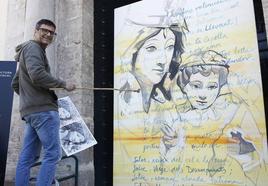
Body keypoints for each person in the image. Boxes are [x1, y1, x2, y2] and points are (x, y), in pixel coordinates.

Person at [160, 50, 267, 185]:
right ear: (184, 86)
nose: (203, 94)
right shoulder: (178, 115)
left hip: (225, 177)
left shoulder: (233, 110)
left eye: (212, 87)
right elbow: (168, 162)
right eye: (196, 86)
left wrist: (241, 148)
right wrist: (171, 145)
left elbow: (259, 147)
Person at [11, 19, 76, 186]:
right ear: (36, 30)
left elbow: (15, 84)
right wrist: (63, 84)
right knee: (53, 154)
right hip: (43, 112)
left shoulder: (27, 50)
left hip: (32, 113)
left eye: (51, 32)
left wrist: (30, 99)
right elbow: (38, 75)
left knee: (27, 158)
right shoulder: (33, 48)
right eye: (44, 30)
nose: (48, 34)